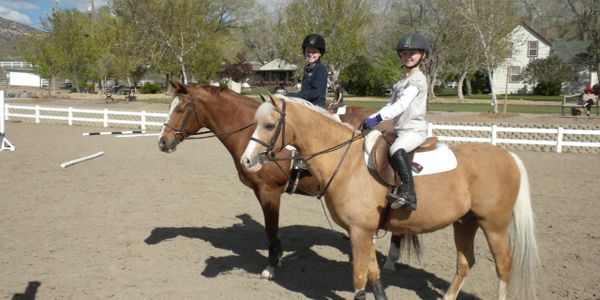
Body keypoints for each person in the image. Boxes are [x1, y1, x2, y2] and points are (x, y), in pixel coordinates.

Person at [361, 32, 430, 211]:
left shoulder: (417, 80)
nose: (408, 56)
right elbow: (389, 105)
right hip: (401, 130)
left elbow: (400, 105)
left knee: (396, 149)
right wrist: (371, 118)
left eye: (413, 52)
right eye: (405, 53)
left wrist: (377, 118)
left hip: (414, 131)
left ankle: (409, 194)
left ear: (422, 55)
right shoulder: (402, 82)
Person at [288, 34, 328, 107]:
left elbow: (315, 93)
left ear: (320, 54)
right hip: (306, 104)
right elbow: (305, 92)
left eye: (314, 52)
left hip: (316, 106)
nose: (310, 54)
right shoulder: (307, 68)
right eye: (308, 51)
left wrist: (292, 95)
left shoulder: (320, 68)